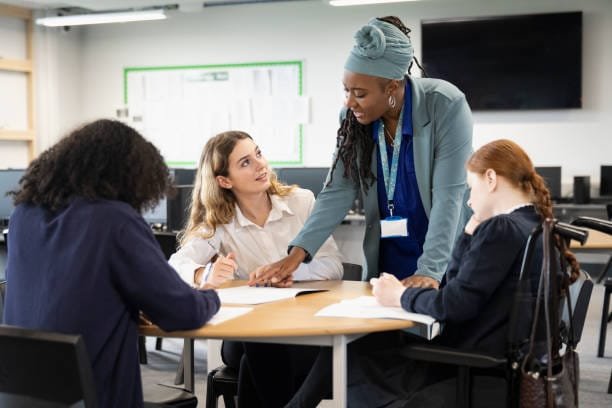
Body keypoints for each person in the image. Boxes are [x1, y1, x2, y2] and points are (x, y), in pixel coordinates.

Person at [286, 139, 580, 407]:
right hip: (500, 360)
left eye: (471, 187)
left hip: (469, 363)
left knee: (352, 350)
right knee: (364, 345)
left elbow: (452, 303)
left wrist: (399, 295)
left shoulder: (502, 228)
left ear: (491, 179)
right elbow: (456, 288)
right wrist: (466, 233)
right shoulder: (536, 226)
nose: (468, 200)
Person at [2, 119, 220, 408]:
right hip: (97, 396)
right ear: (131, 175)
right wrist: (212, 295)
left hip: (26, 395)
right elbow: (182, 312)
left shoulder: (23, 216)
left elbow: (70, 289)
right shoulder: (114, 220)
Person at [250, 16, 473, 289]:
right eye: (346, 90)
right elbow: (337, 190)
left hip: (442, 258)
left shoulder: (444, 104)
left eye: (360, 93)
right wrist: (297, 254)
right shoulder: (353, 119)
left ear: (392, 86)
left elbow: (449, 195)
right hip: (389, 257)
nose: (350, 101)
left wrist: (430, 271)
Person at [168, 130, 343, 407]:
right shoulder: (220, 222)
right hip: (246, 334)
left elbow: (334, 266)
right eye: (245, 162)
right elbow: (176, 264)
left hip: (301, 328)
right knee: (262, 344)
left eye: (258, 153)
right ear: (224, 180)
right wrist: (205, 274)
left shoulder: (302, 203)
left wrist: (290, 271)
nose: (261, 165)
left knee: (259, 359)